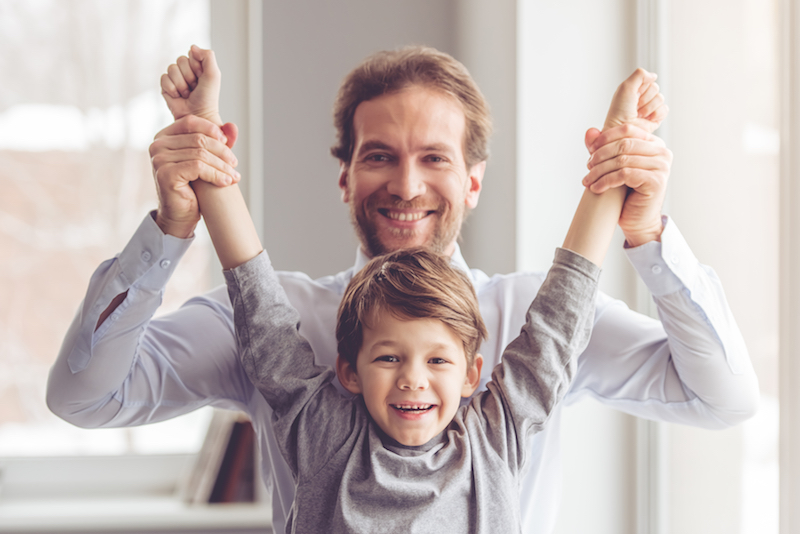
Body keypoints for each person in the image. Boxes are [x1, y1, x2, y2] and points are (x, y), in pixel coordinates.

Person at [47, 45, 759, 533]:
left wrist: (645, 225)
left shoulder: (523, 329)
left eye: (435, 159)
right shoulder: (283, 328)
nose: (408, 185)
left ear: (473, 181)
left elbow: (723, 397)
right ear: (346, 176)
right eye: (380, 156)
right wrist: (174, 224)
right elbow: (83, 396)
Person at [199, 86, 621, 529]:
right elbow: (260, 309)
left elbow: (559, 320)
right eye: (388, 357)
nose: (413, 380)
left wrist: (615, 156)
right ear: (349, 371)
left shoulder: (493, 440)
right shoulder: (323, 436)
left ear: (472, 374)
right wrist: (205, 146)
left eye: (437, 359)